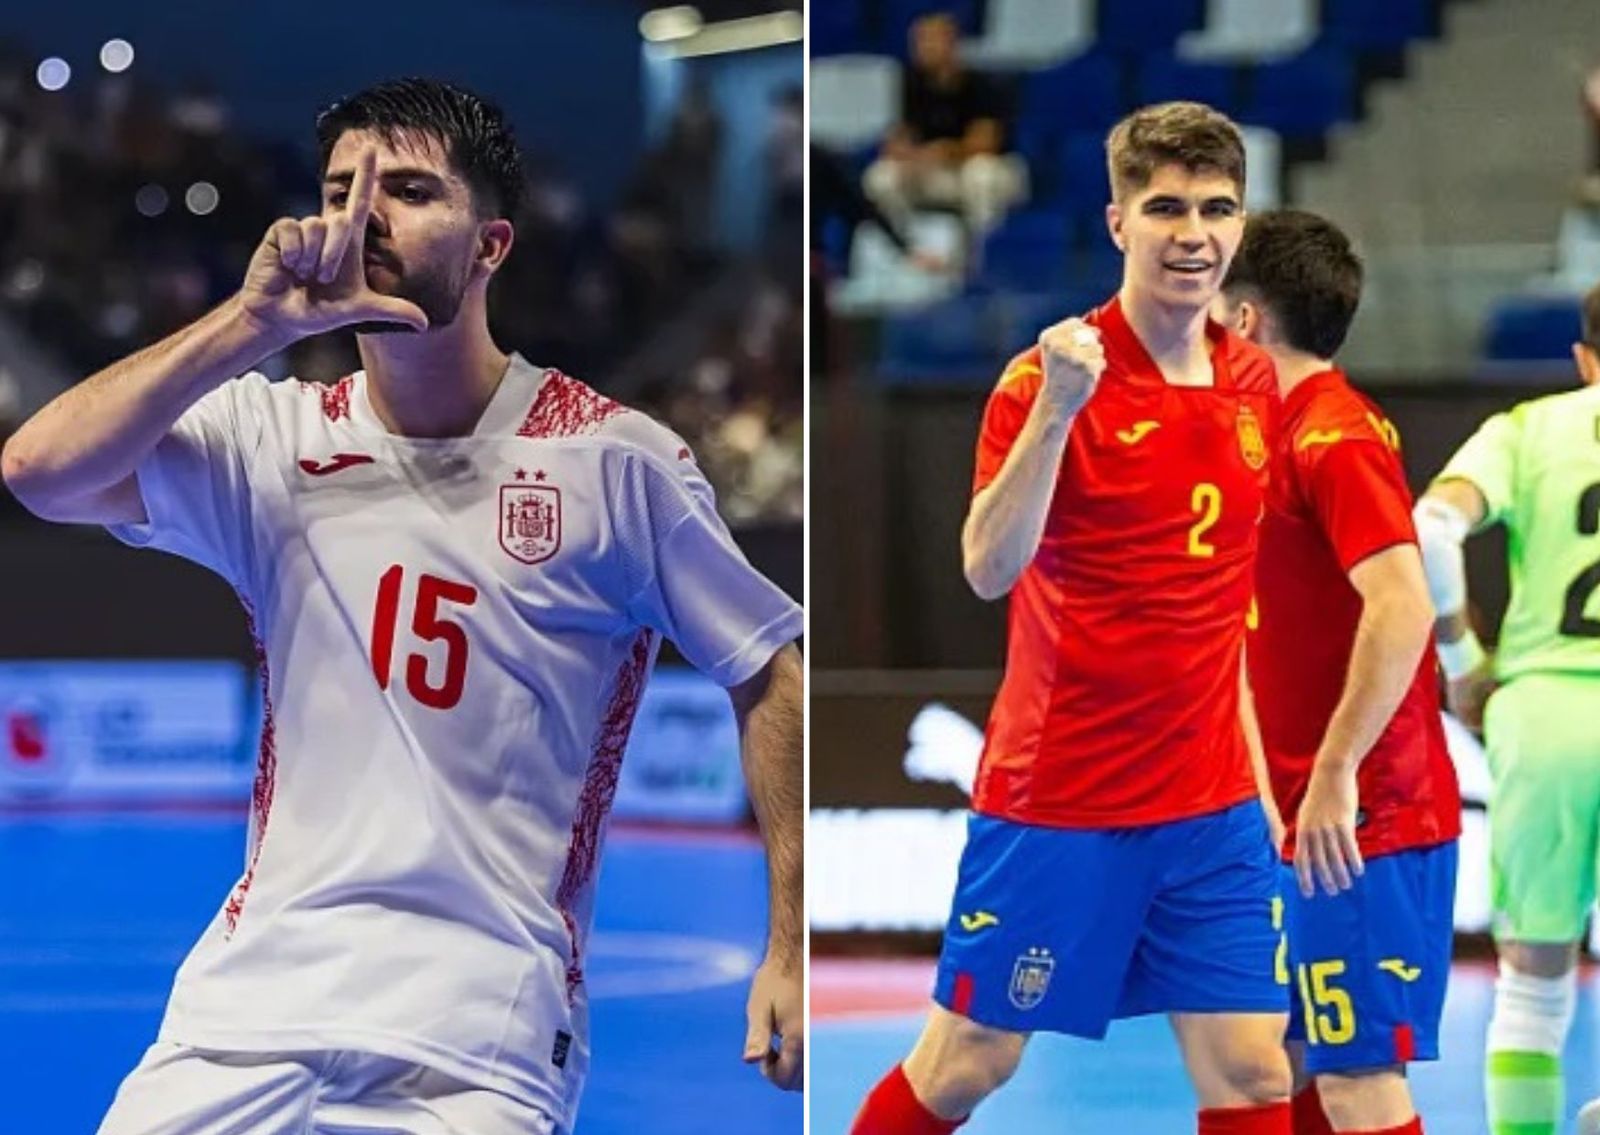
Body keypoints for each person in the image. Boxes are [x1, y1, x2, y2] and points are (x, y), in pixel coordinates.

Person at [0, 77, 804, 1135]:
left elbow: (768, 666)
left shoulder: (615, 461)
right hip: (247, 1014)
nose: (364, 211)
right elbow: (39, 470)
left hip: (476, 1038)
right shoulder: (271, 436)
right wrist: (250, 323)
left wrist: (790, 940)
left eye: (411, 188)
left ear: (491, 246)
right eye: (341, 188)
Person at [850, 100, 1292, 1135]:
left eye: (1217, 208)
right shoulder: (1046, 379)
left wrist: (1259, 780)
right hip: (1065, 796)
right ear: (1116, 223)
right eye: (1166, 207)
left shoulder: (1251, 378)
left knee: (1254, 1071)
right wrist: (1055, 410)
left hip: (1211, 806)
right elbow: (984, 567)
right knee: (967, 1061)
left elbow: (1222, 607)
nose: (1193, 232)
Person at [1216, 210, 1460, 1135]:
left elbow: (1403, 604)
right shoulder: (1266, 433)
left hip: (1367, 820)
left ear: (1244, 323)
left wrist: (1333, 772)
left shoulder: (1335, 436)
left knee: (1358, 1078)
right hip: (1298, 816)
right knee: (1283, 1058)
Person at [1414, 279, 1600, 1135]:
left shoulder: (1529, 429)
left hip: (1543, 713)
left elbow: (1432, 528)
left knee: (1532, 974)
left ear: (1583, 358)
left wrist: (1462, 660)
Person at [863, 11, 1027, 238]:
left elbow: (985, 142)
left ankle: (982, 249)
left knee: (980, 175)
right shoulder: (911, 83)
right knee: (881, 177)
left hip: (991, 169)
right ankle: (905, 247)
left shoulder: (985, 83)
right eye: (919, 41)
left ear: (953, 43)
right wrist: (908, 153)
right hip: (933, 168)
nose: (923, 48)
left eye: (931, 40)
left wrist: (944, 151)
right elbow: (898, 138)